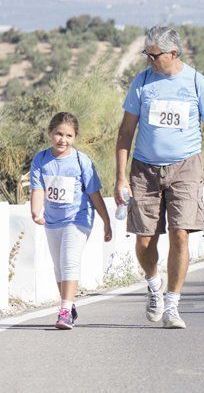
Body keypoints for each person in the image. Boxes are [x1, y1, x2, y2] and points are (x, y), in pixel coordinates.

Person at [114, 25, 204, 329]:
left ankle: (172, 305)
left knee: (180, 233)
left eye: (154, 56)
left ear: (173, 53)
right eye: (147, 55)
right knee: (144, 238)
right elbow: (126, 132)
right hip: (145, 168)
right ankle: (153, 284)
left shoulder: (195, 82)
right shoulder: (143, 81)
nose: (149, 61)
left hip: (186, 167)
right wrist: (120, 178)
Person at [30, 112, 112, 330]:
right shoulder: (41, 159)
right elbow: (38, 189)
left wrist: (106, 221)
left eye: (69, 136)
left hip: (78, 217)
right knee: (58, 267)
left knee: (69, 261)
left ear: (75, 137)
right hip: (53, 220)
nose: (63, 140)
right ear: (50, 133)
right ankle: (69, 306)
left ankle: (64, 311)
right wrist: (36, 211)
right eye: (58, 134)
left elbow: (94, 194)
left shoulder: (81, 161)